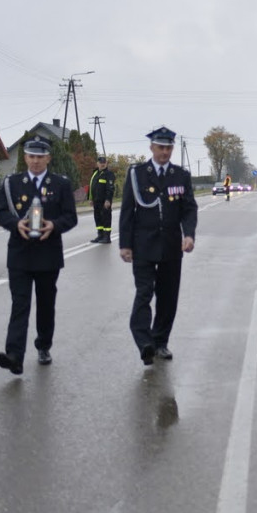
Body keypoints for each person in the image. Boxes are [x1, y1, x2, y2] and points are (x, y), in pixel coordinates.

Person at [0, 135, 78, 374]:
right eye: (31, 156)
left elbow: (71, 217)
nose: (35, 161)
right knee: (19, 304)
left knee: (45, 303)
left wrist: (54, 225)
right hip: (19, 255)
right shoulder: (13, 183)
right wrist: (15, 224)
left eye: (40, 157)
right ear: (25, 157)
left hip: (48, 255)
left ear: (48, 158)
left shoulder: (60, 184)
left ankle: (43, 345)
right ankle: (14, 355)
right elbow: (0, 213)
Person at [119, 126, 198, 365]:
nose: (164, 152)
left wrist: (189, 234)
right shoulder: (137, 174)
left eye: (168, 148)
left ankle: (160, 342)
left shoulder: (180, 175)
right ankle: (145, 343)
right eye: (160, 147)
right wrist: (125, 244)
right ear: (151, 147)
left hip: (172, 246)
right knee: (144, 293)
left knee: (167, 297)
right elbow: (127, 212)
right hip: (143, 245)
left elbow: (189, 208)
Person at [88, 156, 116, 243]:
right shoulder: (95, 173)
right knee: (98, 218)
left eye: (104, 162)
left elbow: (110, 188)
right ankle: (100, 235)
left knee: (106, 218)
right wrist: (90, 199)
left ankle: (107, 237)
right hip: (96, 201)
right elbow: (91, 186)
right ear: (97, 163)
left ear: (106, 163)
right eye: (101, 162)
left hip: (104, 201)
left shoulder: (109, 174)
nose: (102, 164)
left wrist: (108, 200)